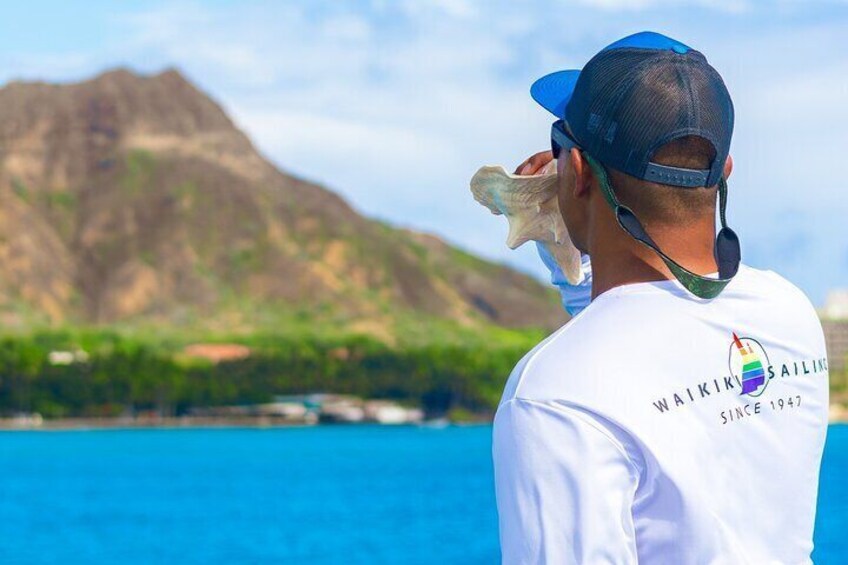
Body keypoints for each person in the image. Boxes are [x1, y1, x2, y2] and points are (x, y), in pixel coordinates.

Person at [492, 31, 829, 564]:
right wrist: (574, 267)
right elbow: (650, 337)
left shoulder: (553, 395)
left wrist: (567, 232)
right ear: (724, 173)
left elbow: (626, 350)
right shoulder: (789, 311)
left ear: (576, 173)